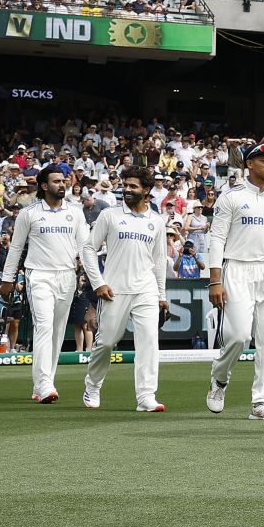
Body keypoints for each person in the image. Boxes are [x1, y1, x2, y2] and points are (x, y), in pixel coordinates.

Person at [205, 143, 264, 421]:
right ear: (249, 164)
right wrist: (215, 280)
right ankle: (219, 378)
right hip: (237, 269)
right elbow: (217, 238)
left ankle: (262, 402)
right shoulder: (231, 197)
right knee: (238, 336)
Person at [79, 167, 170, 412]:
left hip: (146, 289)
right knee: (107, 341)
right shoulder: (109, 215)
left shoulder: (157, 221)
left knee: (149, 342)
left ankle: (146, 397)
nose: (127, 190)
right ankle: (93, 385)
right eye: (125, 185)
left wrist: (161, 295)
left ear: (147, 191)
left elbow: (159, 260)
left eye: (133, 186)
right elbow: (88, 249)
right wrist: (98, 283)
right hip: (114, 289)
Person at [0, 164, 89, 404]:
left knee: (58, 332)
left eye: (63, 181)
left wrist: (92, 276)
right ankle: (44, 384)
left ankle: (44, 383)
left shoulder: (76, 212)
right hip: (38, 275)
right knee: (44, 326)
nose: (62, 184)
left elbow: (85, 247)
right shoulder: (29, 213)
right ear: (44, 185)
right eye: (57, 181)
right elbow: (16, 247)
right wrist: (7, 279)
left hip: (68, 276)